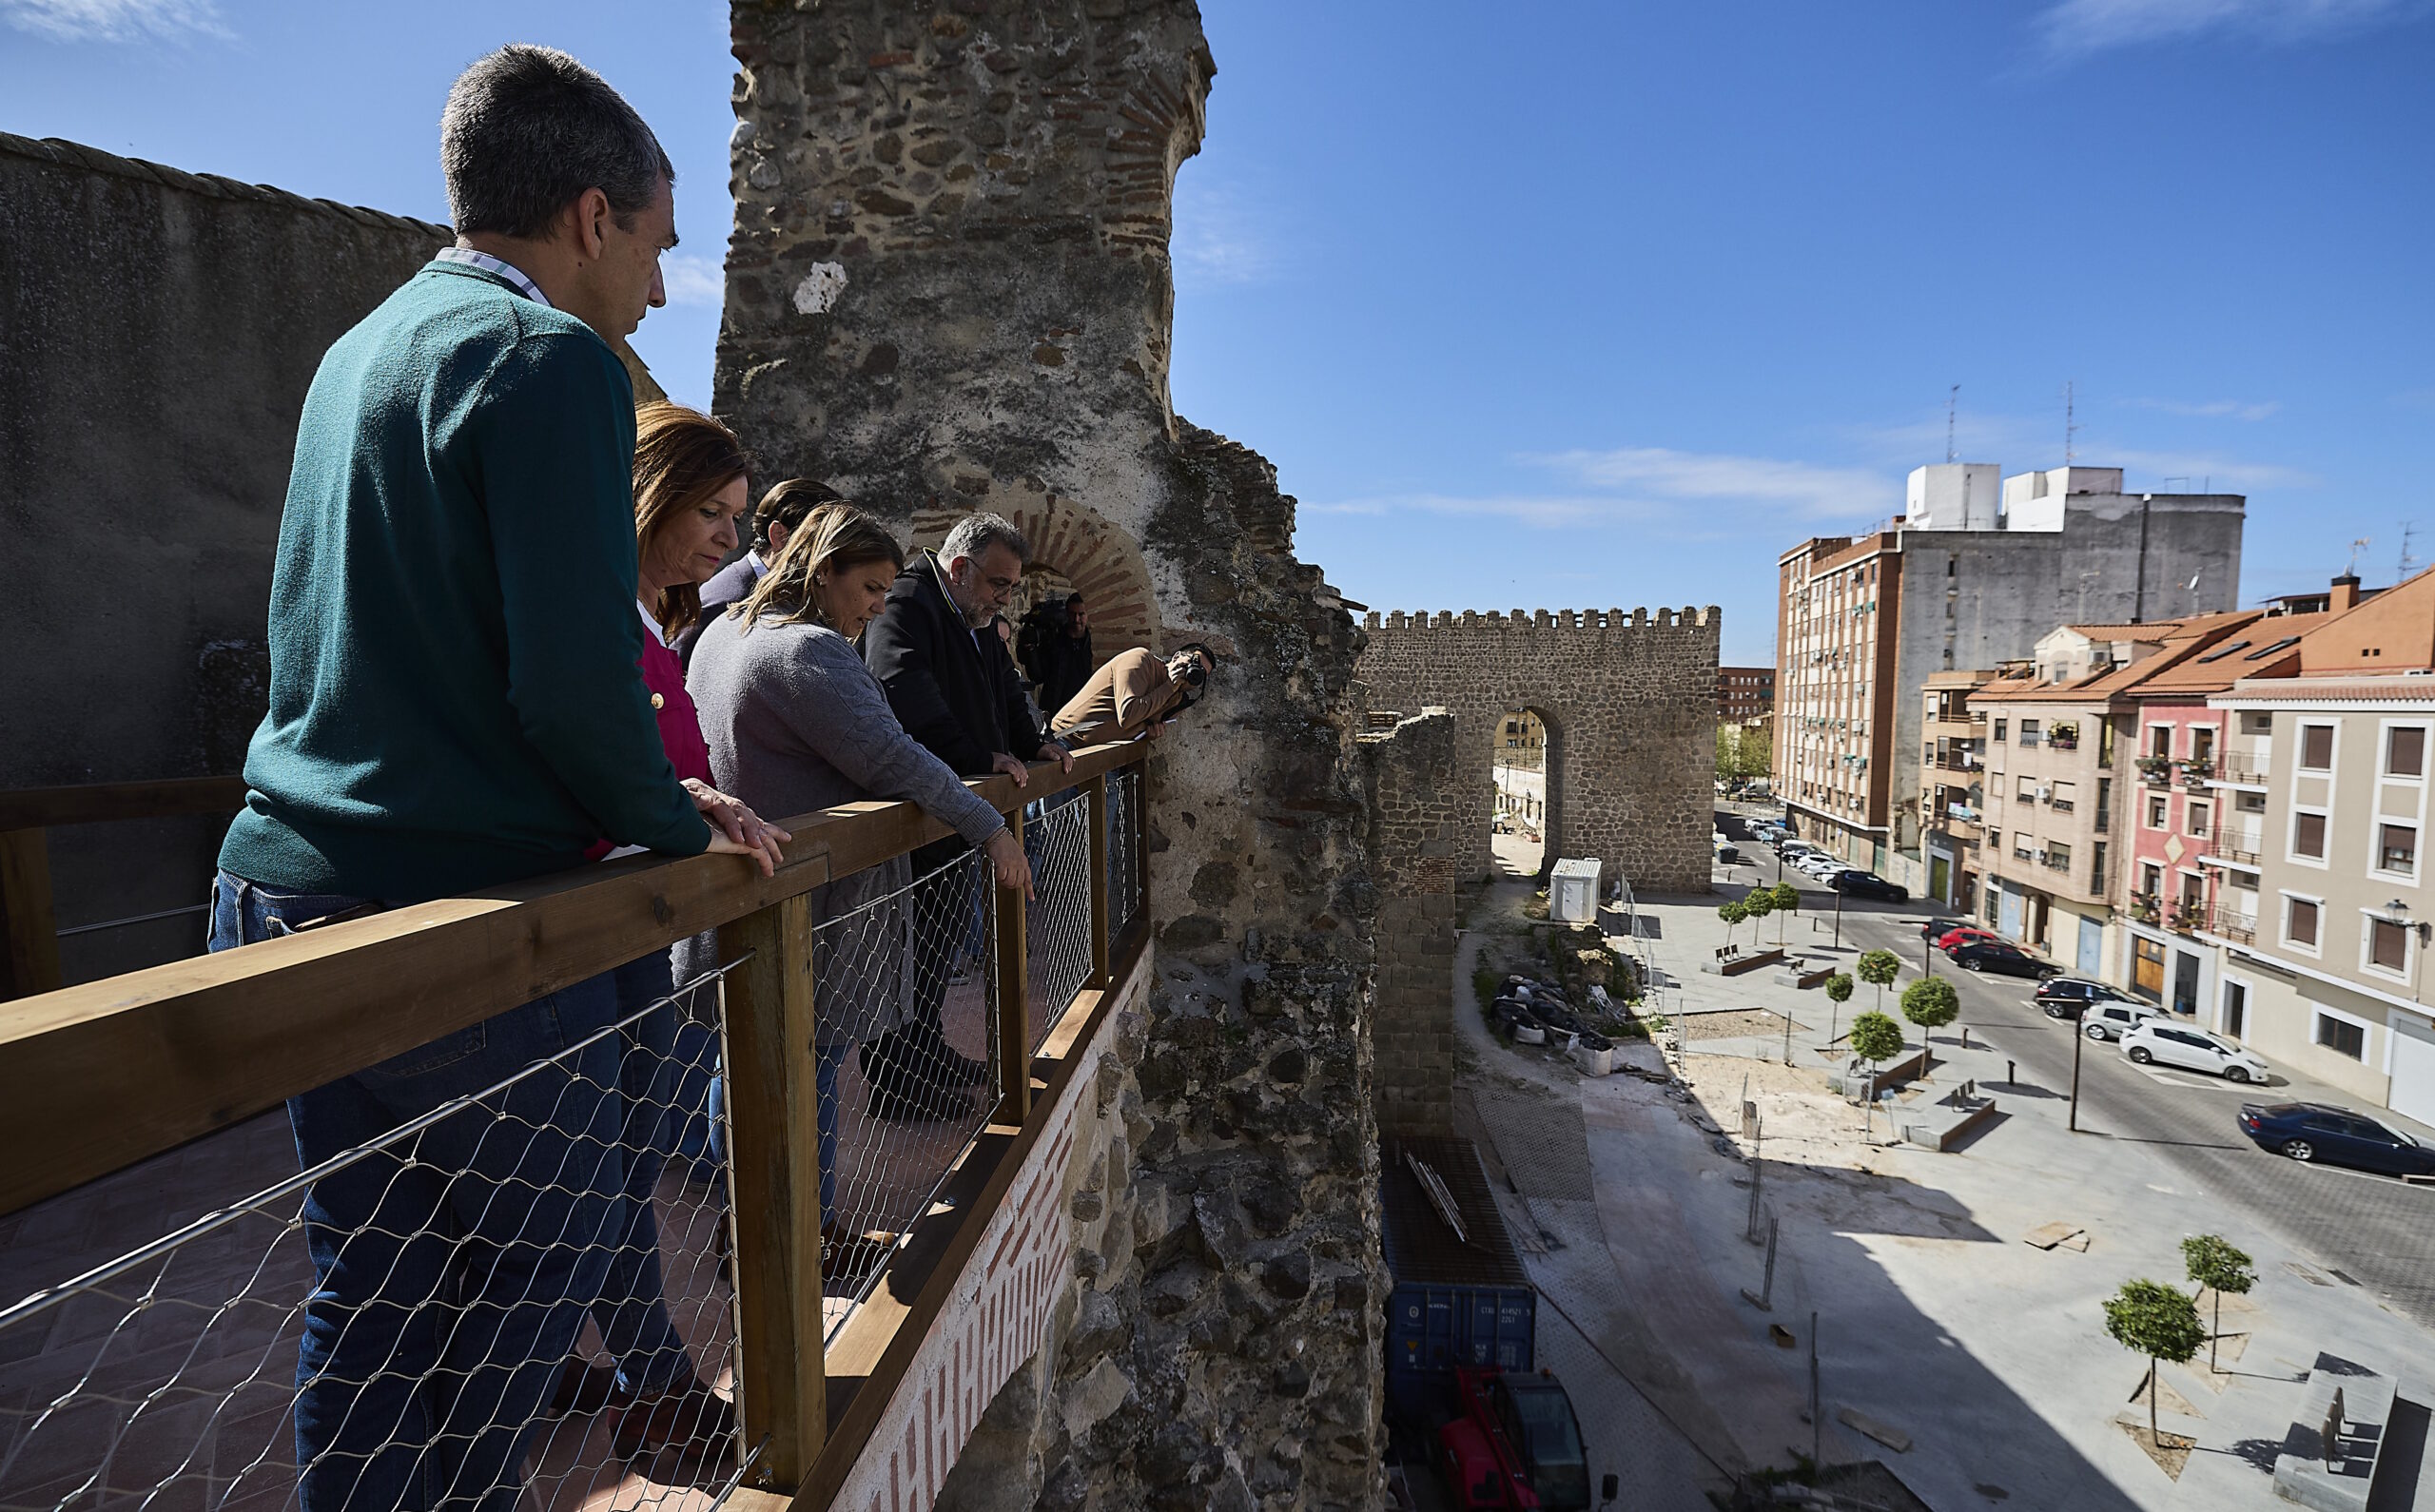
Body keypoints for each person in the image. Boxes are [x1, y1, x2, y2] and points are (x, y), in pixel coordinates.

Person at [206, 47, 785, 1512]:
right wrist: (676, 817)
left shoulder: (360, 350)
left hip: (278, 886)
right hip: (447, 915)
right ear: (592, 217)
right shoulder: (551, 363)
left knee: (379, 1287)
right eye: (658, 247)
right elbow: (575, 674)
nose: (659, 292)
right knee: (558, 1252)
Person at [688, 505, 1033, 1189]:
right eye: (871, 588)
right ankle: (803, 1234)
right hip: (805, 904)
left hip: (733, 893)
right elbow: (896, 756)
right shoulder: (808, 649)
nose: (878, 608)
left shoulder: (724, 631)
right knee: (806, 1061)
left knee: (746, 1059)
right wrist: (989, 827)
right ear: (823, 573)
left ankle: (732, 1200)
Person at [552, 401, 761, 1464]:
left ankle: (625, 1371)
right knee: (598, 1182)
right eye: (711, 512)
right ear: (649, 499)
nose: (729, 538)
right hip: (587, 944)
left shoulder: (642, 620)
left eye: (737, 517)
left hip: (629, 940)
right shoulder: (595, 622)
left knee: (608, 1179)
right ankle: (657, 1381)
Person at [863, 514, 1071, 1105]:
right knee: (915, 946)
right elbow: (904, 693)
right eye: (999, 585)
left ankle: (927, 1046)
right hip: (919, 811)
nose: (1005, 597)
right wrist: (979, 756)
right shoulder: (908, 602)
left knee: (941, 942)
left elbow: (1004, 684)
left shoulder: (973, 614)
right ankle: (898, 1078)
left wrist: (1033, 744)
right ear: (960, 569)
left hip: (958, 808)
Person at [673, 476, 844, 666]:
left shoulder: (773, 594)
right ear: (779, 536)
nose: (831, 561)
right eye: (822, 544)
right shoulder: (726, 603)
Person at [1052, 644, 1216, 746]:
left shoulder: (1176, 699)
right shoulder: (1140, 659)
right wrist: (1169, 686)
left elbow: (1138, 724)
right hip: (1066, 742)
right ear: (1177, 656)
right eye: (1192, 663)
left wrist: (1148, 734)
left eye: (1200, 673)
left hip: (1101, 758)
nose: (1191, 672)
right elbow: (1128, 715)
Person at [1017, 593, 1093, 712]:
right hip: (1055, 712)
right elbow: (1037, 677)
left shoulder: (1093, 645)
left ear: (1088, 615)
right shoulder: (1053, 641)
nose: (1076, 619)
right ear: (1067, 613)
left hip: (1086, 710)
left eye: (1081, 614)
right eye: (1073, 614)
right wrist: (1031, 651)